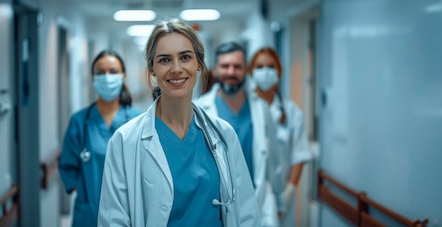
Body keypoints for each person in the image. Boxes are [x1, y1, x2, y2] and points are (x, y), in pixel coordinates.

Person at [98, 19, 260, 226]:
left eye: (185, 57)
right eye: (165, 60)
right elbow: (113, 221)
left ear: (199, 64)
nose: (176, 68)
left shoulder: (224, 135)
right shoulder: (124, 141)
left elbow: (247, 214)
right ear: (152, 69)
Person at [195, 42, 283, 227]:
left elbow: (273, 160)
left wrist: (279, 199)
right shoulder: (200, 109)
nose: (231, 72)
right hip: (215, 206)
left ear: (245, 70)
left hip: (257, 202)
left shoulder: (261, 108)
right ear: (215, 70)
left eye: (237, 66)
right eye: (225, 66)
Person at [58, 50, 141, 227]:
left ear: (123, 76)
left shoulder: (138, 121)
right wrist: (84, 191)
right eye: (100, 72)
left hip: (129, 211)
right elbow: (67, 166)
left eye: (113, 71)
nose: (107, 77)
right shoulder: (80, 121)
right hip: (89, 212)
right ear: (93, 78)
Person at [248, 47, 314, 225]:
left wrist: (290, 190)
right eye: (259, 67)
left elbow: (299, 154)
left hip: (280, 193)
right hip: (248, 193)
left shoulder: (292, 112)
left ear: (279, 71)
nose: (265, 71)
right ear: (250, 71)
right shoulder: (244, 109)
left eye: (271, 66)